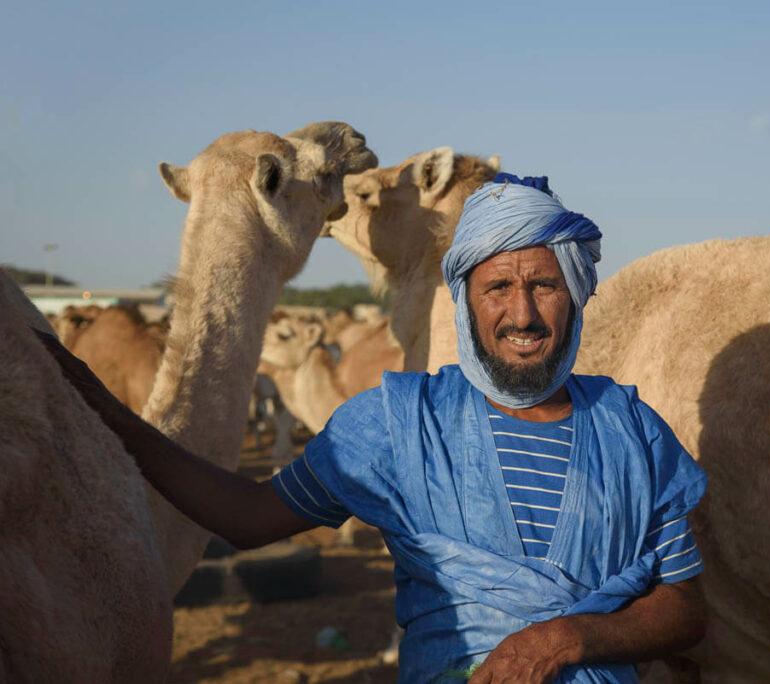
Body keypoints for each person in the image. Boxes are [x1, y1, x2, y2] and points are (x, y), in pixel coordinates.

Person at [41, 173, 707, 684]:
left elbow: (684, 608)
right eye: (498, 287)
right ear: (467, 302)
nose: (522, 313)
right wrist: (113, 422)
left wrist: (569, 639)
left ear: (577, 292)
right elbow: (248, 518)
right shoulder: (397, 425)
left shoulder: (632, 432)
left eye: (544, 285)